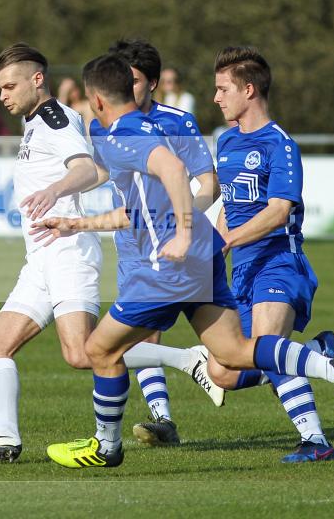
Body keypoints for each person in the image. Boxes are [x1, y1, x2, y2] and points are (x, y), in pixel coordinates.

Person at [32, 53, 334, 470]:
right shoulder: (148, 128)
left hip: (176, 266)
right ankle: (329, 365)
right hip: (204, 257)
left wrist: (182, 233)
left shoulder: (125, 133)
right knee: (232, 357)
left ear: (98, 100)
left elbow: (175, 171)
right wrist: (78, 223)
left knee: (97, 348)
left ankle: (105, 447)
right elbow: (141, 211)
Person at [0, 44, 210, 462]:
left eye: (9, 85)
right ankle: (4, 435)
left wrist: (54, 191)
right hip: (40, 257)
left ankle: (187, 359)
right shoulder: (35, 122)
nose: (2, 95)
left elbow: (86, 167)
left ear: (38, 79)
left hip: (67, 251)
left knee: (84, 352)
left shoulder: (56, 119)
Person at [209, 46, 334, 463]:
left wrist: (226, 242)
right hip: (241, 273)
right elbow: (230, 209)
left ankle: (316, 442)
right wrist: (212, 252)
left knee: (268, 344)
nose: (215, 98)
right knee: (222, 370)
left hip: (279, 262)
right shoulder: (227, 140)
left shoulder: (280, 144)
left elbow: (278, 212)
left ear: (248, 90)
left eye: (222, 89)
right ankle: (319, 352)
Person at [98, 39, 225, 446]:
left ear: (152, 83)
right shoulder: (104, 124)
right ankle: (163, 419)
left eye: (133, 81)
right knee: (138, 336)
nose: (126, 88)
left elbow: (208, 182)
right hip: (131, 243)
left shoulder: (177, 122)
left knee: (229, 354)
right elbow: (107, 175)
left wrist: (180, 219)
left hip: (173, 245)